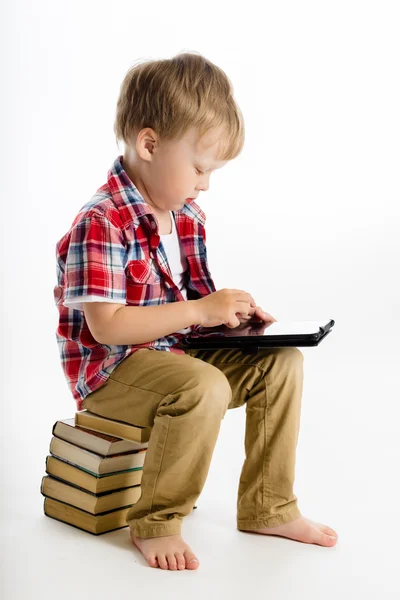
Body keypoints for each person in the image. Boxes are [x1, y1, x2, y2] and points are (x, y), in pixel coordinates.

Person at [53, 51, 338, 571]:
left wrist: (236, 320)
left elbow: (195, 312)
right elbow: (108, 327)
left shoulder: (186, 218)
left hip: (174, 356)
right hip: (113, 373)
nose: (205, 183)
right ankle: (157, 521)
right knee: (203, 386)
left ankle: (268, 506)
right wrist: (199, 308)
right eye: (200, 168)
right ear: (149, 144)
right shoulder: (101, 221)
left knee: (282, 364)